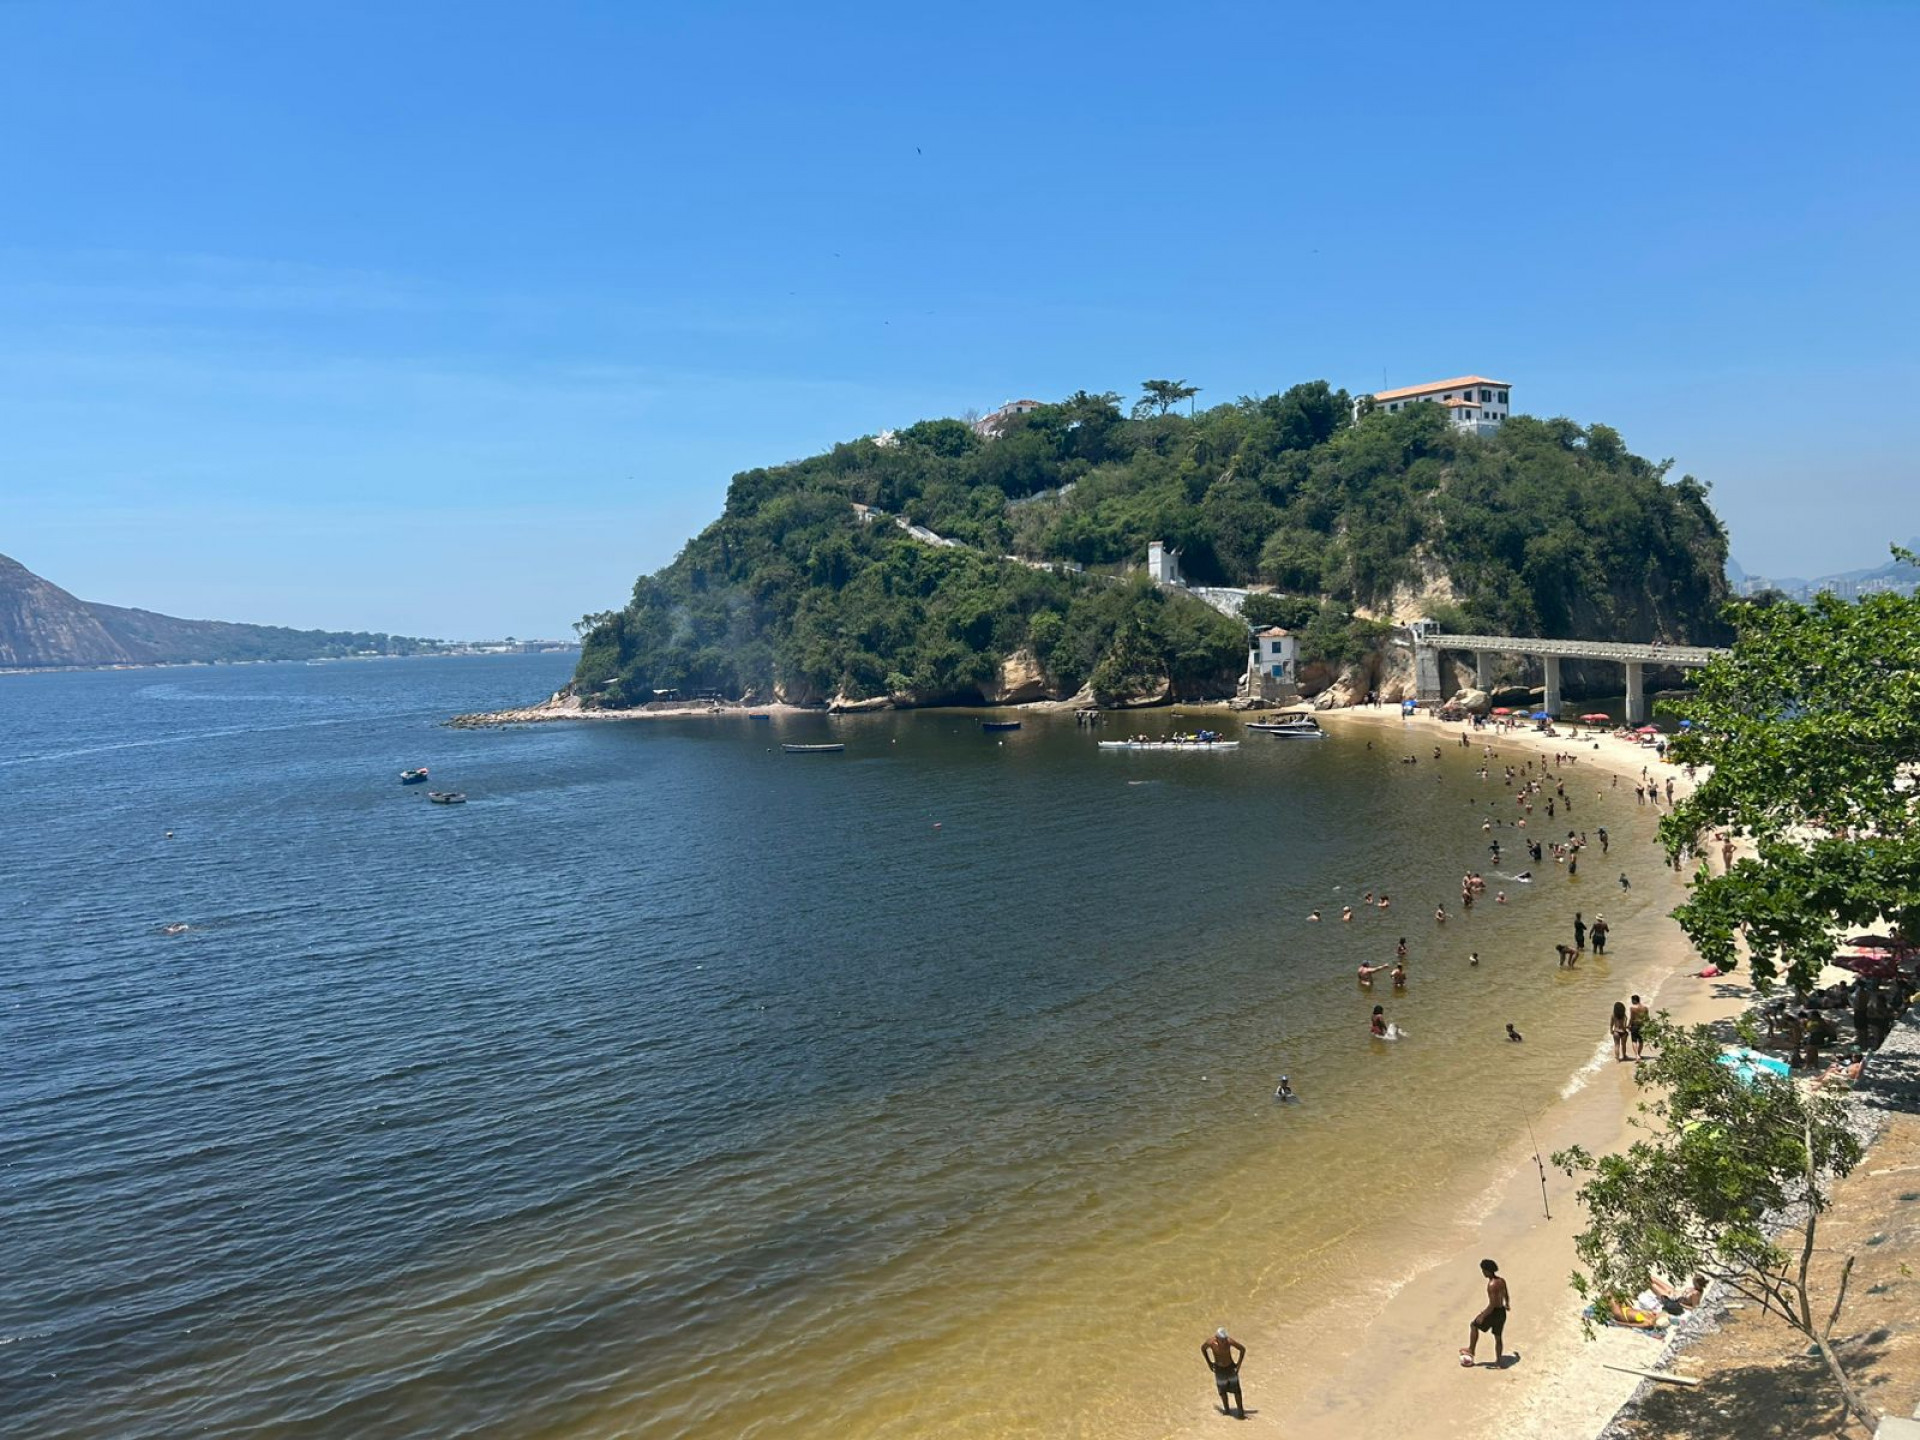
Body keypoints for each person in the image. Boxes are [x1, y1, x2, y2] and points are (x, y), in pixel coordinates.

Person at [1461, 1259, 1511, 1367]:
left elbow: (1492, 1304)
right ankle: (1498, 1362)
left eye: (1483, 1270)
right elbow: (1506, 1294)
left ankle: (1471, 1349)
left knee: (1474, 1325)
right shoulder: (1501, 1281)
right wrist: (1507, 1304)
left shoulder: (1491, 1285)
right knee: (1498, 1337)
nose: (1482, 1272)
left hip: (1494, 1312)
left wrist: (1482, 1316)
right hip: (1501, 1312)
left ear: (1488, 1271)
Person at [1202, 1327, 1246, 1418]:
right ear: (1216, 1338)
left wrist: (1238, 1365)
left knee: (1237, 1391)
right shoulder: (1211, 1342)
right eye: (1222, 1340)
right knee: (1222, 1391)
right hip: (1219, 1369)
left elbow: (1242, 1349)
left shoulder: (1229, 1341)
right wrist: (1209, 1363)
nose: (1224, 1341)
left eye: (1225, 1339)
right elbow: (1203, 1348)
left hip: (1230, 1367)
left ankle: (1240, 1411)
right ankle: (1226, 1410)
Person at [1628, 994, 1649, 1059]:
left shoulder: (1632, 1008)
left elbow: (1631, 1018)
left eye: (1632, 1000)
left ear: (1634, 1000)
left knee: (1634, 1041)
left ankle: (1637, 1055)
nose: (1631, 1001)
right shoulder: (1645, 1008)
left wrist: (1628, 1025)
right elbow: (1647, 1018)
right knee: (1641, 1041)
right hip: (1642, 1026)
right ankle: (1639, 1054)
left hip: (1635, 1025)